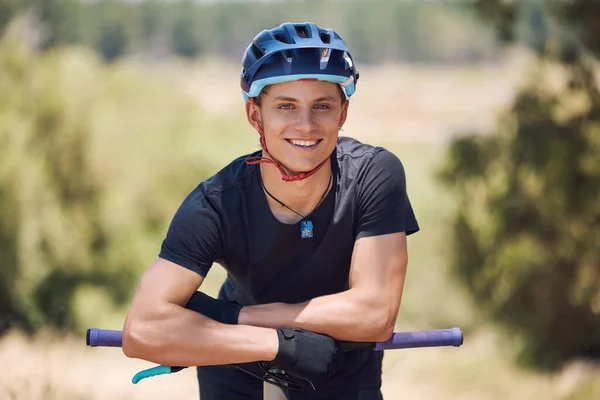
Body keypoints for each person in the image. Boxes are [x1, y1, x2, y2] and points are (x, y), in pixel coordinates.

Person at [122, 22, 419, 400]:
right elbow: (141, 330)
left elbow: (375, 315)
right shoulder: (216, 203)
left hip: (341, 369)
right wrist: (276, 345)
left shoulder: (374, 174)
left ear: (343, 113)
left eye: (322, 106)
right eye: (286, 106)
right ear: (254, 114)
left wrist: (232, 315)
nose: (306, 125)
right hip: (235, 363)